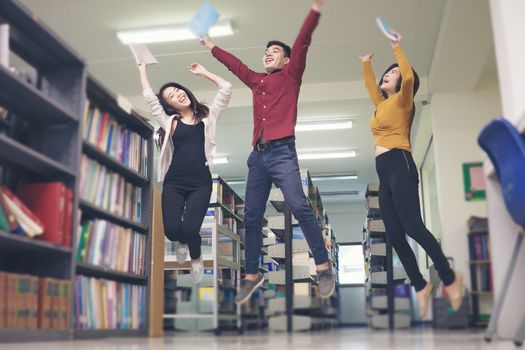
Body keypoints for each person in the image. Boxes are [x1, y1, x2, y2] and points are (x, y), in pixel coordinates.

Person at [201, 0, 335, 304]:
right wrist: (210, 45)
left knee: (300, 207)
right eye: (265, 51)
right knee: (251, 216)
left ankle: (324, 267)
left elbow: (302, 42)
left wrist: (314, 11)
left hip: (282, 152)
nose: (267, 54)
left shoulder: (291, 76)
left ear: (287, 60)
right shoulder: (256, 81)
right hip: (258, 157)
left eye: (274, 51)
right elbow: (235, 66)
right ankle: (251, 275)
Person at [359, 30, 463, 318]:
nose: (389, 74)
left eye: (393, 73)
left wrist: (396, 51)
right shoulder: (382, 104)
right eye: (387, 72)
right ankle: (420, 285)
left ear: (404, 81)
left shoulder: (405, 100)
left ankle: (450, 278)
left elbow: (408, 76)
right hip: (384, 172)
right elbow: (371, 87)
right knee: (394, 234)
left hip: (400, 163)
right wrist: (366, 64)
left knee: (413, 227)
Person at [137, 61, 232, 283]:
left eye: (178, 89)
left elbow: (226, 88)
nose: (178, 93)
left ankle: (196, 258)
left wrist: (204, 72)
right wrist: (142, 69)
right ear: (169, 106)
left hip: (201, 183)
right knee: (171, 231)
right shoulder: (169, 121)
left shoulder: (209, 117)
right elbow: (150, 99)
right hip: (174, 182)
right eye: (171, 95)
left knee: (190, 229)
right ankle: (180, 242)